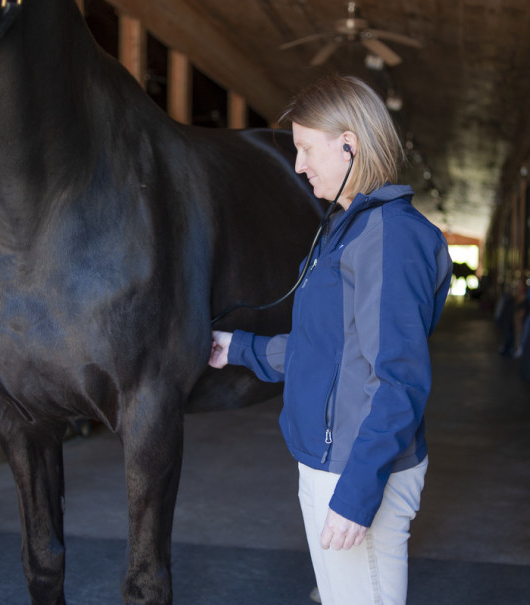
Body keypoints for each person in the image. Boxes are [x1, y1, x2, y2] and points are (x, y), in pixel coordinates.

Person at [209, 74, 452, 605]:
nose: (298, 166)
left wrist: (359, 491)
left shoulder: (390, 237)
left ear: (350, 143)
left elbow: (400, 378)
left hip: (353, 465)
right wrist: (238, 348)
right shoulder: (347, 232)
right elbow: (326, 351)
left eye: (305, 148)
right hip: (327, 460)